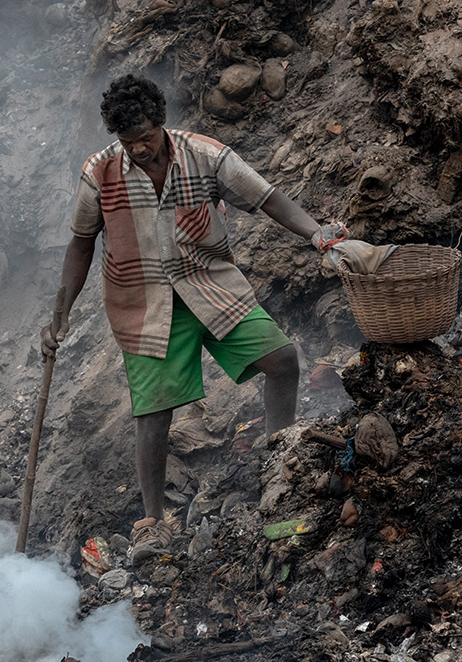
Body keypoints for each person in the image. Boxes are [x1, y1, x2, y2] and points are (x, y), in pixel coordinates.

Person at [40, 73, 332, 562]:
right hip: (143, 304)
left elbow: (268, 199)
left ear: (161, 123)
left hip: (210, 286)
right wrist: (60, 315)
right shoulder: (99, 172)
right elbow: (81, 243)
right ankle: (153, 523)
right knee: (154, 414)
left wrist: (316, 233)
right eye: (128, 142)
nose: (138, 150)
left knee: (282, 360)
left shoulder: (205, 155)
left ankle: (279, 460)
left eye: (145, 138)